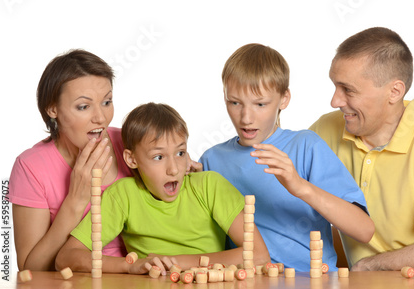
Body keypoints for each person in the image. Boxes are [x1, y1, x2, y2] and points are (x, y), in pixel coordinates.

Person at [309, 27, 414, 271]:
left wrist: (367, 266)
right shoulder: (325, 130)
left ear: (394, 92)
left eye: (348, 90)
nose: (335, 101)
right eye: (335, 87)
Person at [199, 43, 374, 272]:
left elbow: (364, 230)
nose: (246, 117)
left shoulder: (306, 146)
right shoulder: (212, 160)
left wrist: (300, 186)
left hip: (311, 280)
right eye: (235, 103)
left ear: (284, 99)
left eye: (260, 104)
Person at [56, 102, 270, 275]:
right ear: (131, 159)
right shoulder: (123, 195)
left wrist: (177, 263)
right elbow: (66, 257)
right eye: (158, 157)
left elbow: (259, 255)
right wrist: (129, 265)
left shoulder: (209, 186)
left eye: (180, 153)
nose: (173, 168)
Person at [8, 50, 132, 271]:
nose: (100, 117)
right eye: (83, 106)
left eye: (106, 102)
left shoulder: (130, 143)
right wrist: (76, 200)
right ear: (52, 109)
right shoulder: (31, 167)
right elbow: (30, 270)